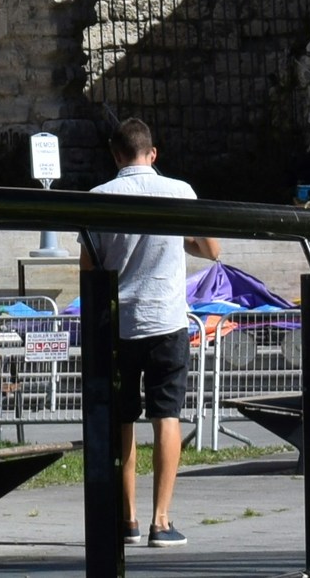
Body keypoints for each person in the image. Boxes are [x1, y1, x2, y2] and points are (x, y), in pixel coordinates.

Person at [84, 119, 220, 549]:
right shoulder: (180, 192)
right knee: (167, 416)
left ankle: (127, 519)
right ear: (153, 153)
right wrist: (180, 242)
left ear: (115, 154)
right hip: (166, 320)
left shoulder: (98, 197)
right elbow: (212, 250)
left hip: (119, 323)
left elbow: (90, 268)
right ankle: (162, 521)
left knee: (121, 419)